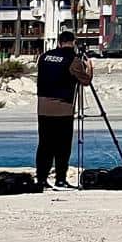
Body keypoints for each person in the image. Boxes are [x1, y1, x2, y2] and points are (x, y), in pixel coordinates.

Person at [35, 30, 93, 190]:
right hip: (63, 109)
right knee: (62, 146)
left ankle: (41, 179)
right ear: (73, 42)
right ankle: (60, 179)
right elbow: (85, 80)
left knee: (44, 145)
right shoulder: (73, 60)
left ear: (59, 42)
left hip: (43, 107)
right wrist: (89, 68)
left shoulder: (44, 57)